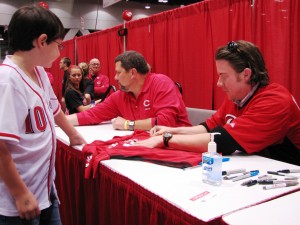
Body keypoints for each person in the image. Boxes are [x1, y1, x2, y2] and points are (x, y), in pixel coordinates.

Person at [135, 40, 300, 166]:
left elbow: (222, 141)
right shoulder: (238, 96)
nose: (219, 83)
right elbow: (209, 127)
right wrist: (173, 130)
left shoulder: (275, 100)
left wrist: (165, 139)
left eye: (223, 75)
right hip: (263, 164)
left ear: (246, 75)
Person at [0, 5, 86, 225]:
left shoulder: (38, 71)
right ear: (41, 41)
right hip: (18, 198)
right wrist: (20, 194)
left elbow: (54, 109)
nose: (60, 52)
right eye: (59, 45)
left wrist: (73, 135)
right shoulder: (7, 81)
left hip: (44, 189)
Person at [67, 51, 191, 131]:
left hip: (178, 150)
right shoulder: (121, 95)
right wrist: (58, 120)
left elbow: (166, 122)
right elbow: (91, 115)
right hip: (145, 147)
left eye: (118, 72)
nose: (115, 77)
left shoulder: (161, 83)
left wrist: (127, 124)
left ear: (132, 73)